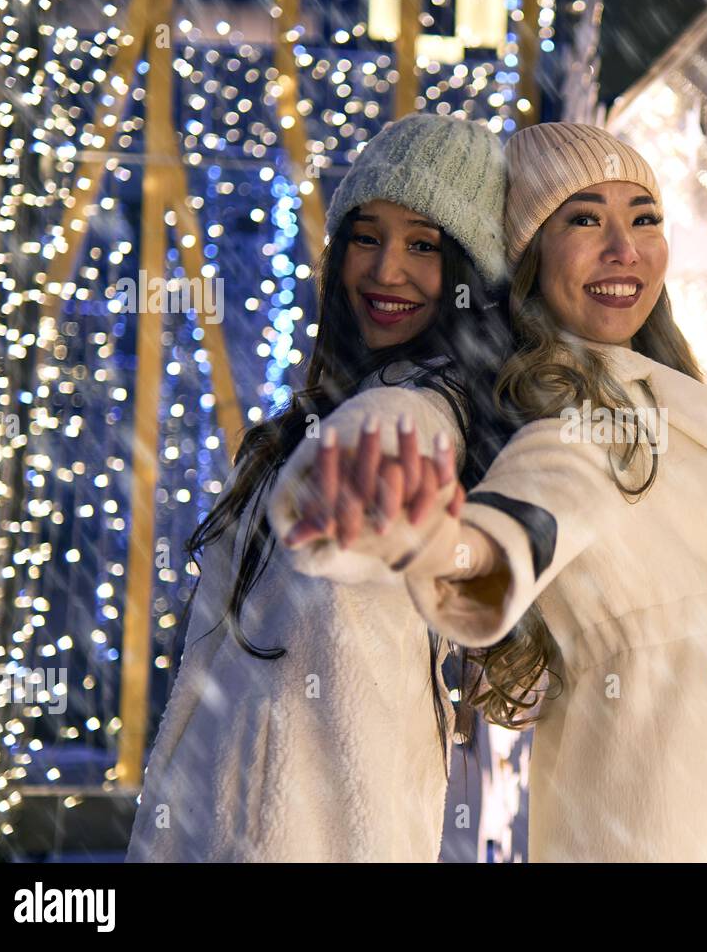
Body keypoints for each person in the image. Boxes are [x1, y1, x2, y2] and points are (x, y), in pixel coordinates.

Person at [271, 122, 707, 862]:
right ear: (527, 259)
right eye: (584, 220)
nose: (624, 249)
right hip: (676, 824)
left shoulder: (669, 395)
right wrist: (426, 540)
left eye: (643, 218)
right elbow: (514, 530)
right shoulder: (574, 417)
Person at [127, 113, 512, 861]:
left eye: (425, 246)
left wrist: (365, 492)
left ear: (472, 275)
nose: (385, 271)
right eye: (367, 237)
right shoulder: (314, 418)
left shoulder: (413, 416)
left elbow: (387, 459)